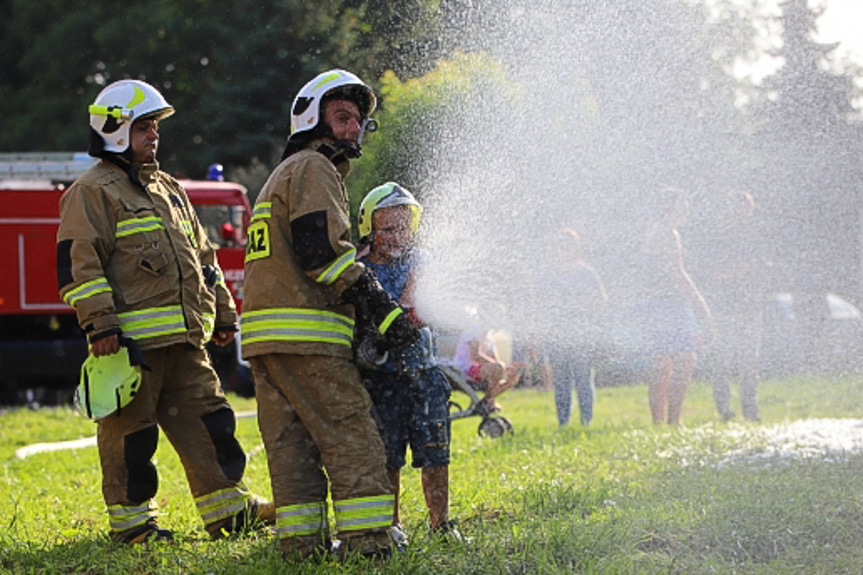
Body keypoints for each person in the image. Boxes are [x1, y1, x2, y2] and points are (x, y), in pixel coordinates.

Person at [56, 79, 272, 544]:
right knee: (131, 440)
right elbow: (79, 263)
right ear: (113, 129)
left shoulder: (170, 188)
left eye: (155, 127)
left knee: (212, 424)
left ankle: (230, 512)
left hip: (187, 344)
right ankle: (133, 525)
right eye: (144, 127)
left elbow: (203, 257)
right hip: (131, 350)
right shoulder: (92, 192)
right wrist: (101, 324)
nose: (154, 135)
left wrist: (223, 313)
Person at [241, 69, 419, 560]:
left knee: (291, 447)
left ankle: (303, 547)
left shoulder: (281, 176)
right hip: (308, 335)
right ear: (310, 118)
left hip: (266, 340)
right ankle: (369, 544)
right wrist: (385, 311)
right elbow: (324, 254)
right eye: (342, 117)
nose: (351, 129)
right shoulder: (314, 168)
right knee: (350, 431)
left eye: (357, 121)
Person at [355, 182, 461, 544]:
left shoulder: (423, 261)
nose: (397, 236)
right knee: (389, 455)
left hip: (425, 373)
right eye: (387, 229)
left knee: (435, 450)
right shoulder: (359, 269)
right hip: (381, 378)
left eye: (404, 227)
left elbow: (423, 302)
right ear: (368, 228)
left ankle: (441, 523)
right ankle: (392, 525)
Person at [632, 188, 712, 425]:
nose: (686, 212)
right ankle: (673, 421)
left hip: (653, 305)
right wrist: (701, 304)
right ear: (670, 208)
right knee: (685, 360)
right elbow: (677, 273)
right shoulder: (668, 233)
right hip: (669, 306)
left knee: (661, 363)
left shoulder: (653, 231)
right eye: (682, 207)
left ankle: (659, 423)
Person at [693, 190, 768, 421]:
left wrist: (761, 277)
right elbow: (711, 274)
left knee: (750, 361)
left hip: (751, 306)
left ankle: (750, 409)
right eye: (737, 207)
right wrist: (742, 270)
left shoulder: (757, 238)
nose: (742, 212)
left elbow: (764, 268)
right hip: (724, 308)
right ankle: (724, 408)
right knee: (722, 360)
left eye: (746, 207)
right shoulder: (718, 238)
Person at [543, 229, 611, 426]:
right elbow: (539, 305)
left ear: (574, 248)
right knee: (561, 382)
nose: (561, 249)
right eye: (558, 245)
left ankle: (586, 421)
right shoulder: (548, 276)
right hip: (556, 336)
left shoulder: (586, 273)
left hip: (582, 335)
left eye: (566, 245)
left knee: (583, 378)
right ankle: (563, 421)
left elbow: (601, 301)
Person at [452, 305, 522, 412]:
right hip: (465, 368)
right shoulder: (475, 330)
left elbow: (495, 360)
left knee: (513, 376)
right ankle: (489, 402)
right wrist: (500, 366)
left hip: (478, 368)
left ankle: (487, 401)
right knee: (498, 368)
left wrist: (508, 368)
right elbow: (475, 356)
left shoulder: (489, 335)